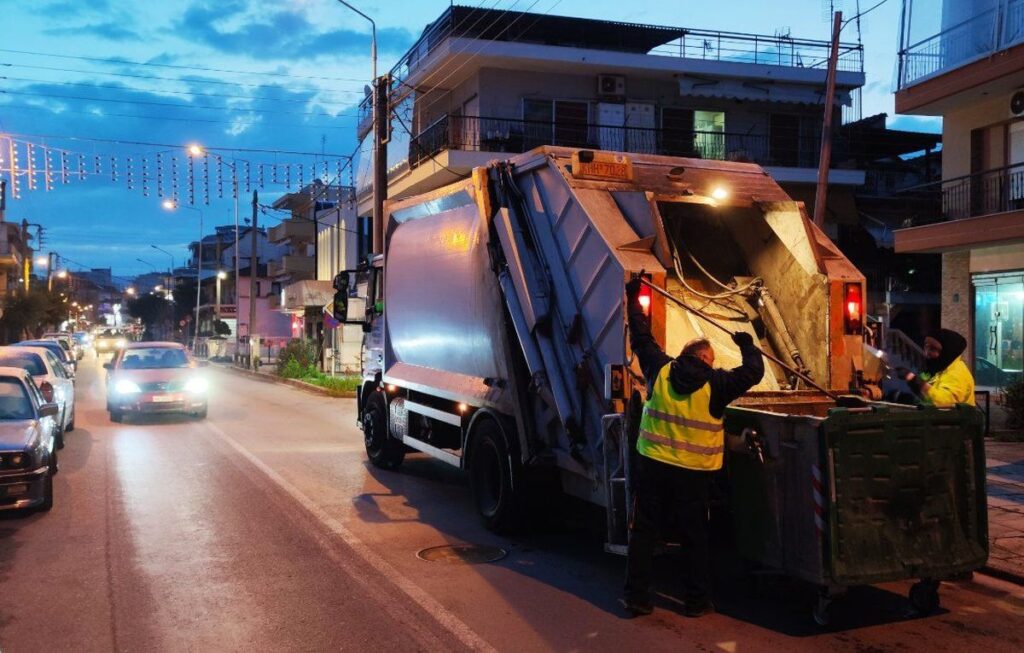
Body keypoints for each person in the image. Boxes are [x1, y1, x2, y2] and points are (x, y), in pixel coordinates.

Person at [621, 277, 764, 618]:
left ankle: (638, 598)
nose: (712, 364)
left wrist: (633, 295)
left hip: (653, 467)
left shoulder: (660, 368)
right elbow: (754, 371)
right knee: (695, 538)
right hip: (694, 477)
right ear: (703, 358)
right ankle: (696, 602)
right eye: (711, 358)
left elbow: (641, 337)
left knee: (643, 533)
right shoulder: (717, 384)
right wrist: (746, 344)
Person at [895, 328, 975, 407]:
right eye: (926, 347)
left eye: (933, 349)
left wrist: (912, 379)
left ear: (947, 351)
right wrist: (909, 399)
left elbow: (943, 402)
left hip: (956, 419)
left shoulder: (957, 374)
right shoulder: (937, 369)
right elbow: (927, 394)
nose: (927, 353)